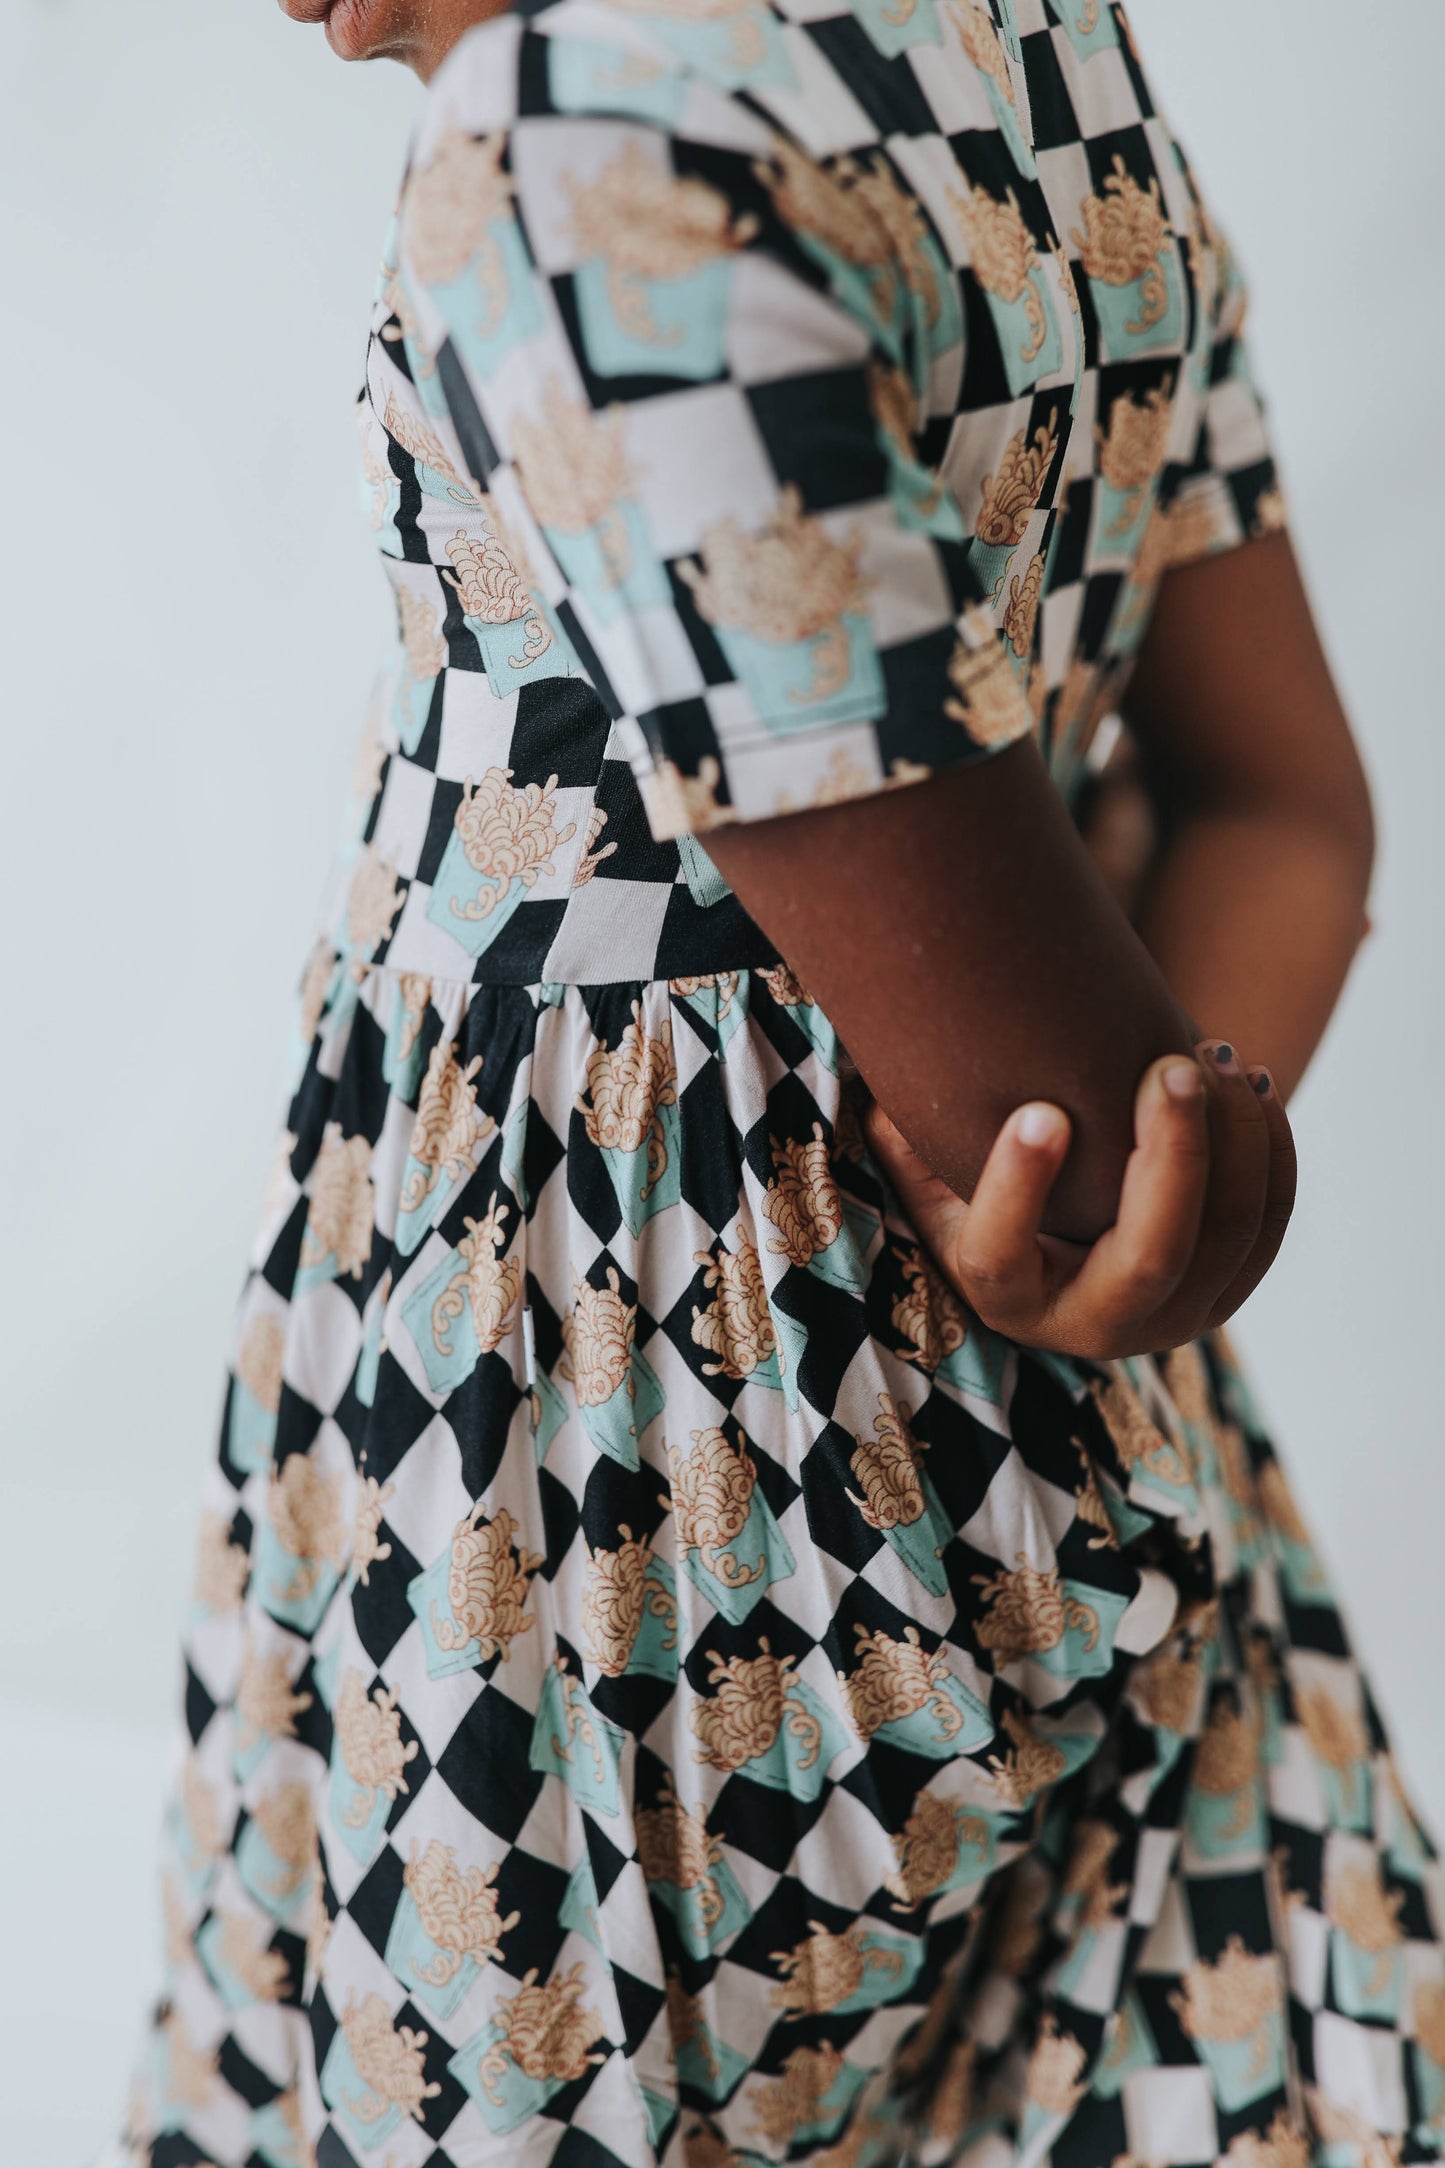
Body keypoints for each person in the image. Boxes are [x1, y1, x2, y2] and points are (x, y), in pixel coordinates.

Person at [109, 0, 1432, 2163]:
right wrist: (1183, 1184)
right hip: (1062, 1463)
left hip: (624, 1571)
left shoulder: (581, 142)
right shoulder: (1023, 28)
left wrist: (1146, 1192)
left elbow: (1070, 1153)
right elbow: (1285, 805)